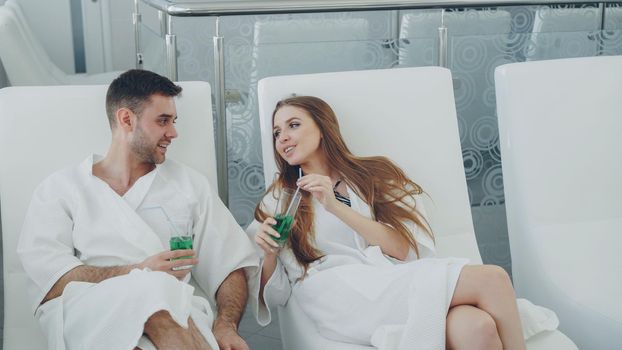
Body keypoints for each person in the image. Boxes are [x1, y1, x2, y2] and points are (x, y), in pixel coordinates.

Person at [251, 95, 527, 350]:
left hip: (389, 278)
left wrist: (335, 206)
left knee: (476, 327)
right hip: (338, 295)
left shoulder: (373, 175)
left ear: (322, 128)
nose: (283, 137)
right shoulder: (279, 200)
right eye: (276, 133)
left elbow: (405, 250)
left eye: (293, 125)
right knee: (492, 279)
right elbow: (277, 296)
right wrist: (269, 253)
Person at [18, 69, 259, 350]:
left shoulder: (189, 186)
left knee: (157, 299)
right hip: (88, 310)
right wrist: (139, 272)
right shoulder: (62, 188)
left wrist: (226, 325)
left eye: (173, 121)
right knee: (152, 289)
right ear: (126, 119)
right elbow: (51, 281)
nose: (173, 133)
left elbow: (230, 264)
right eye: (163, 121)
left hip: (175, 308)